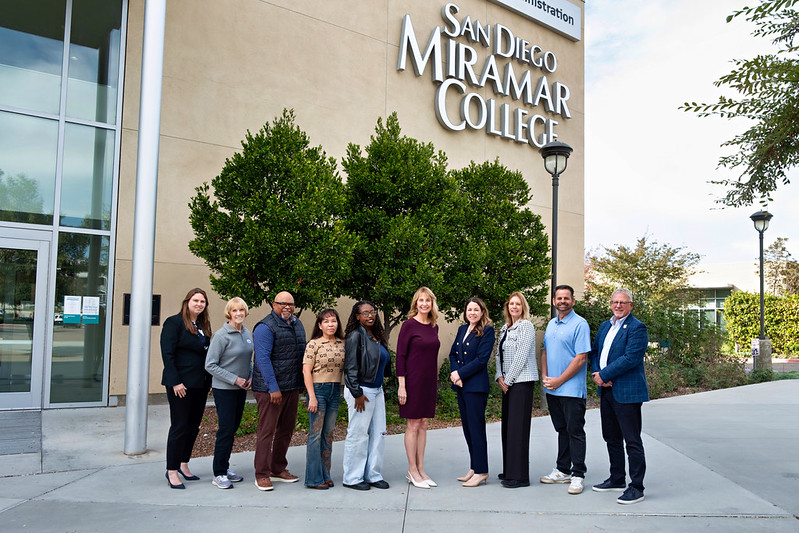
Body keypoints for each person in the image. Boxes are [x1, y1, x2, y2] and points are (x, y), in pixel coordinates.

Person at [589, 288, 649, 505]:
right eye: (615, 302)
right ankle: (617, 478)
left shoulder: (637, 327)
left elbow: (631, 357)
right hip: (606, 390)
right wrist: (598, 374)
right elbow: (595, 351)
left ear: (631, 305)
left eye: (623, 302)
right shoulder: (606, 326)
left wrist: (605, 374)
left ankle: (636, 487)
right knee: (611, 437)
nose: (618, 305)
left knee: (632, 440)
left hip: (627, 392)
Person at [539, 285, 592, 495]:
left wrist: (559, 380)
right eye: (559, 298)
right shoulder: (552, 324)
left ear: (573, 301)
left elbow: (581, 358)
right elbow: (545, 352)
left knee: (575, 432)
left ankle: (578, 474)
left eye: (566, 298)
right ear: (554, 301)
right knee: (562, 430)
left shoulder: (580, 324)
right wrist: (545, 377)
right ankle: (562, 469)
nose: (562, 301)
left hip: (571, 389)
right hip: (553, 389)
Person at [251, 291, 306, 491]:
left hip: (291, 387)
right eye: (282, 303)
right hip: (270, 390)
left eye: (290, 304)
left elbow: (300, 354)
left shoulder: (297, 324)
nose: (287, 307)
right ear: (273, 304)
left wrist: (300, 384)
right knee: (267, 431)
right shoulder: (265, 327)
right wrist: (273, 388)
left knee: (286, 430)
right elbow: (262, 360)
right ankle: (262, 474)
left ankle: (277, 468)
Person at [161, 288, 213, 489]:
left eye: (203, 301)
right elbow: (168, 354)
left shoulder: (201, 325)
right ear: (187, 302)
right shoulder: (173, 323)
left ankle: (184, 464)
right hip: (180, 385)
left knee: (193, 427)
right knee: (180, 426)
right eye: (196, 300)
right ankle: (171, 470)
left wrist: (208, 383)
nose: (199, 304)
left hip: (200, 384)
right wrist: (175, 381)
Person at [204, 297, 253, 489]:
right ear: (229, 313)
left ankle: (225, 467)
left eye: (241, 310)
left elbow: (248, 358)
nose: (239, 313)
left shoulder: (246, 332)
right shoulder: (221, 336)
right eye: (235, 311)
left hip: (241, 389)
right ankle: (218, 473)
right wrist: (234, 379)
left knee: (232, 429)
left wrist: (249, 376)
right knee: (225, 430)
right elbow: (210, 365)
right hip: (224, 389)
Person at [342, 301, 391, 491]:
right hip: (361, 391)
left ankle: (373, 474)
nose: (370, 316)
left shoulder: (375, 335)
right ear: (357, 316)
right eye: (365, 313)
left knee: (379, 433)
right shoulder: (355, 336)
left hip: (376, 391)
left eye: (373, 312)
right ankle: (352, 477)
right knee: (358, 434)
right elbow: (350, 367)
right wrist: (357, 393)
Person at [396, 286, 441, 489]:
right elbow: (401, 356)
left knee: (424, 424)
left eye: (428, 301)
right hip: (412, 382)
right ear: (416, 303)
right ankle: (412, 470)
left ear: (432, 304)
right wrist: (402, 386)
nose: (424, 304)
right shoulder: (408, 325)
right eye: (421, 300)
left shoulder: (434, 326)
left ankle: (422, 469)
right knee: (412, 425)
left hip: (429, 382)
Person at [448, 297, 495, 488]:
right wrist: (454, 373)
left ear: (482, 312)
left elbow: (482, 360)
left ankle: (482, 470)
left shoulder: (487, 331)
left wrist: (460, 373)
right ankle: (474, 467)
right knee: (468, 429)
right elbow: (452, 354)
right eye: (469, 310)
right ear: (465, 312)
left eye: (476, 309)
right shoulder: (462, 329)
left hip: (476, 388)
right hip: (461, 386)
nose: (472, 313)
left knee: (476, 429)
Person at [495, 291, 538, 489]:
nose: (514, 307)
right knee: (508, 428)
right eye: (511, 304)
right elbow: (498, 355)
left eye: (518, 304)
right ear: (507, 307)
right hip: (508, 383)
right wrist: (499, 377)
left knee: (518, 430)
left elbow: (521, 356)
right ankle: (509, 469)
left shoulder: (526, 326)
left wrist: (508, 381)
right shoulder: (505, 328)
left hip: (521, 383)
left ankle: (520, 476)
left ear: (523, 308)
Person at [302, 309, 346, 490]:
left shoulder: (343, 344)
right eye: (326, 321)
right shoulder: (314, 344)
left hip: (335, 391)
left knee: (328, 434)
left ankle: (325, 475)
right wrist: (311, 396)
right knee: (315, 435)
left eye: (333, 321)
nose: (330, 324)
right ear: (319, 325)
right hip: (318, 391)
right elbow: (306, 371)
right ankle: (313, 479)